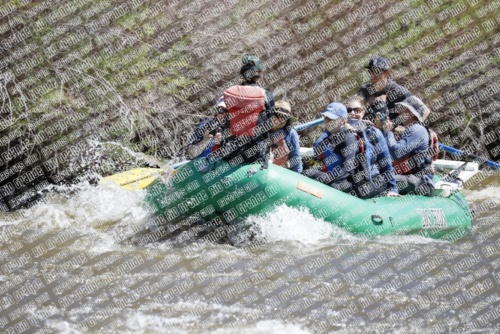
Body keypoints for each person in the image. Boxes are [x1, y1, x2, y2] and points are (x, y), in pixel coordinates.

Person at [209, 55, 276, 165]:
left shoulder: (228, 93)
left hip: (229, 152)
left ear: (242, 73)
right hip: (255, 155)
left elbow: (217, 121)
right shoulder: (266, 95)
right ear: (260, 74)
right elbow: (269, 127)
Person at [376, 96, 436, 196]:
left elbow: (396, 153)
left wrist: (389, 132)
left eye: (402, 109)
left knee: (380, 181)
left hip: (419, 181)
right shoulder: (410, 129)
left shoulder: (417, 130)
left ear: (411, 113)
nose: (399, 112)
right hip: (408, 177)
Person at [346, 97, 399, 198]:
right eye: (349, 110)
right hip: (349, 182)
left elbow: (386, 164)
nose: (353, 113)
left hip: (370, 181)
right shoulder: (340, 133)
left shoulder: (373, 133)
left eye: (357, 110)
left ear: (363, 112)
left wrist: (393, 189)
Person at [302, 103, 358, 194]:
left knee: (309, 173)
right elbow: (316, 146)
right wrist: (327, 132)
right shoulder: (330, 135)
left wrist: (332, 182)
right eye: (326, 118)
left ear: (342, 121)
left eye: (332, 119)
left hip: (345, 181)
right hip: (332, 176)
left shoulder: (348, 136)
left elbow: (349, 167)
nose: (328, 121)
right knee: (306, 172)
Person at [358, 55, 430, 125]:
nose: (372, 75)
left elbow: (425, 110)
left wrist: (411, 129)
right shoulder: (364, 90)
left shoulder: (398, 91)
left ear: (387, 73)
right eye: (370, 71)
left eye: (376, 71)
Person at [269, 100, 303, 173]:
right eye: (278, 115)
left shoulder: (291, 133)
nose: (281, 119)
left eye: (284, 117)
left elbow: (296, 158)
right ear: (271, 115)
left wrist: (298, 176)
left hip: (280, 173)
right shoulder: (261, 130)